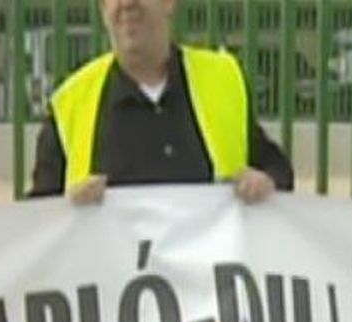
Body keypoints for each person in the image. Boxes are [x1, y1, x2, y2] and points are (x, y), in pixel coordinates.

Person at [29, 0, 293, 203]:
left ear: (169, 3)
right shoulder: (71, 103)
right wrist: (67, 208)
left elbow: (276, 170)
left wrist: (265, 183)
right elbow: (37, 222)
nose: (126, 3)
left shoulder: (221, 81)